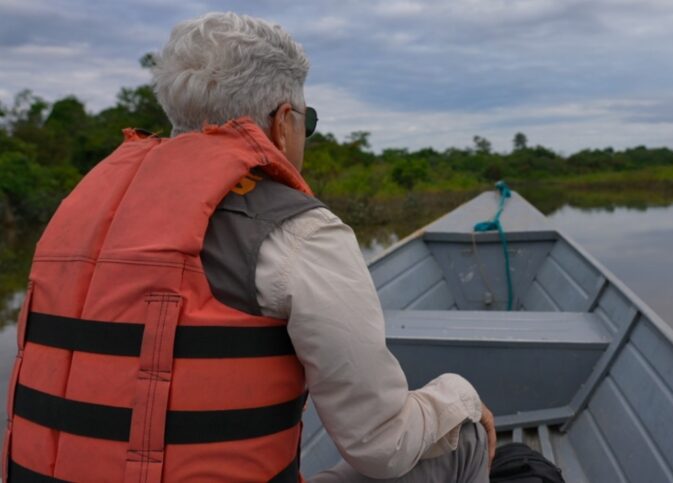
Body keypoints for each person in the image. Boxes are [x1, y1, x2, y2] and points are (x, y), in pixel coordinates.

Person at [2, 11, 495, 483]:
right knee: (466, 436)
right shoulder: (301, 232)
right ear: (283, 122)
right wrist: (461, 397)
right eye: (309, 120)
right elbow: (380, 444)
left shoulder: (77, 216)